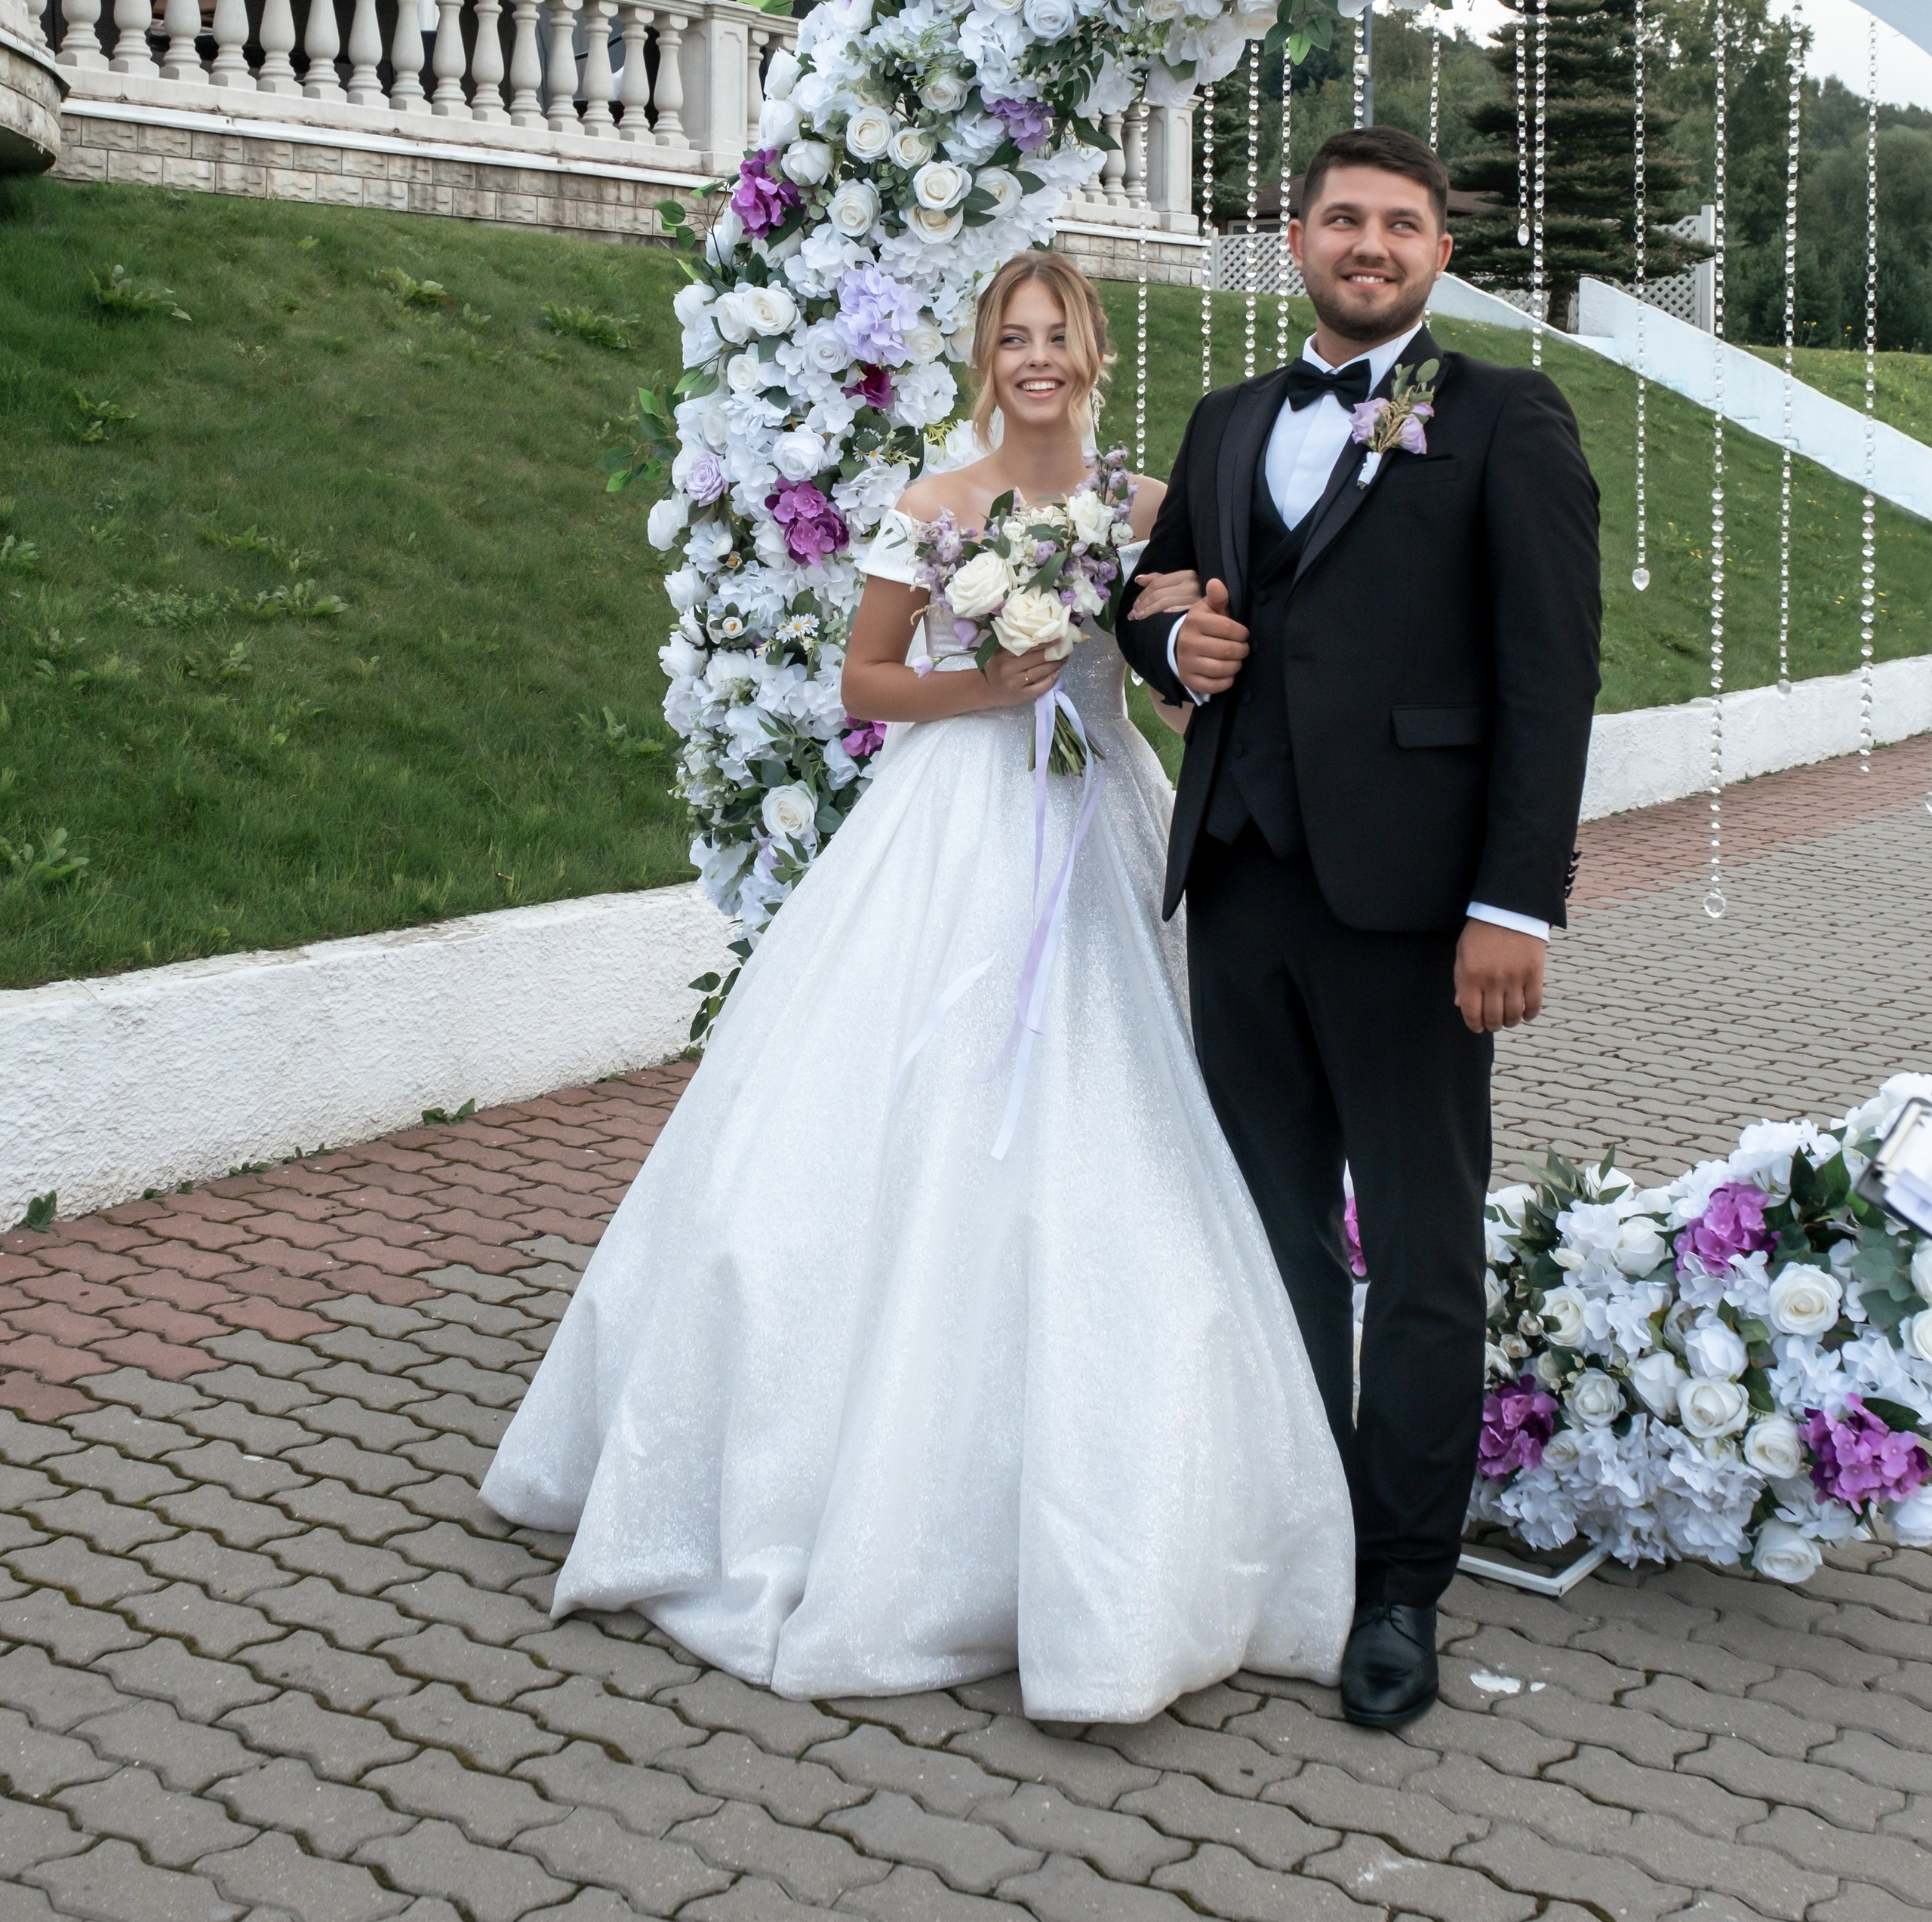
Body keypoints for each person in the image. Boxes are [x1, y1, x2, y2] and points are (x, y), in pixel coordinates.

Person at [481, 251, 1352, 1722]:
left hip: (1093, 819)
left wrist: (1173, 679)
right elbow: (865, 680)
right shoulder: (938, 505)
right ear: (984, 357)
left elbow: (1162, 669)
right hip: (952, 820)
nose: (1035, 358)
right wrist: (981, 689)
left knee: (1112, 1108)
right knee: (902, 1099)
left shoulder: (1147, 506)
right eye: (1012, 337)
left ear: (1090, 351)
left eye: (1056, 335)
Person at [1118, 127, 1600, 1731]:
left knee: (1415, 1244)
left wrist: (1513, 904)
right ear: (1297, 239)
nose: (1370, 243)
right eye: (1343, 218)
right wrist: (1172, 650)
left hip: (1415, 906)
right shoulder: (1226, 417)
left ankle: (1397, 1583)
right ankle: (1296, 1528)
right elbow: (1151, 592)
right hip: (1240, 877)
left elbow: (1550, 676)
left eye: (1400, 222)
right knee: (1267, 1230)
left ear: (1438, 253)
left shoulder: (1503, 415)